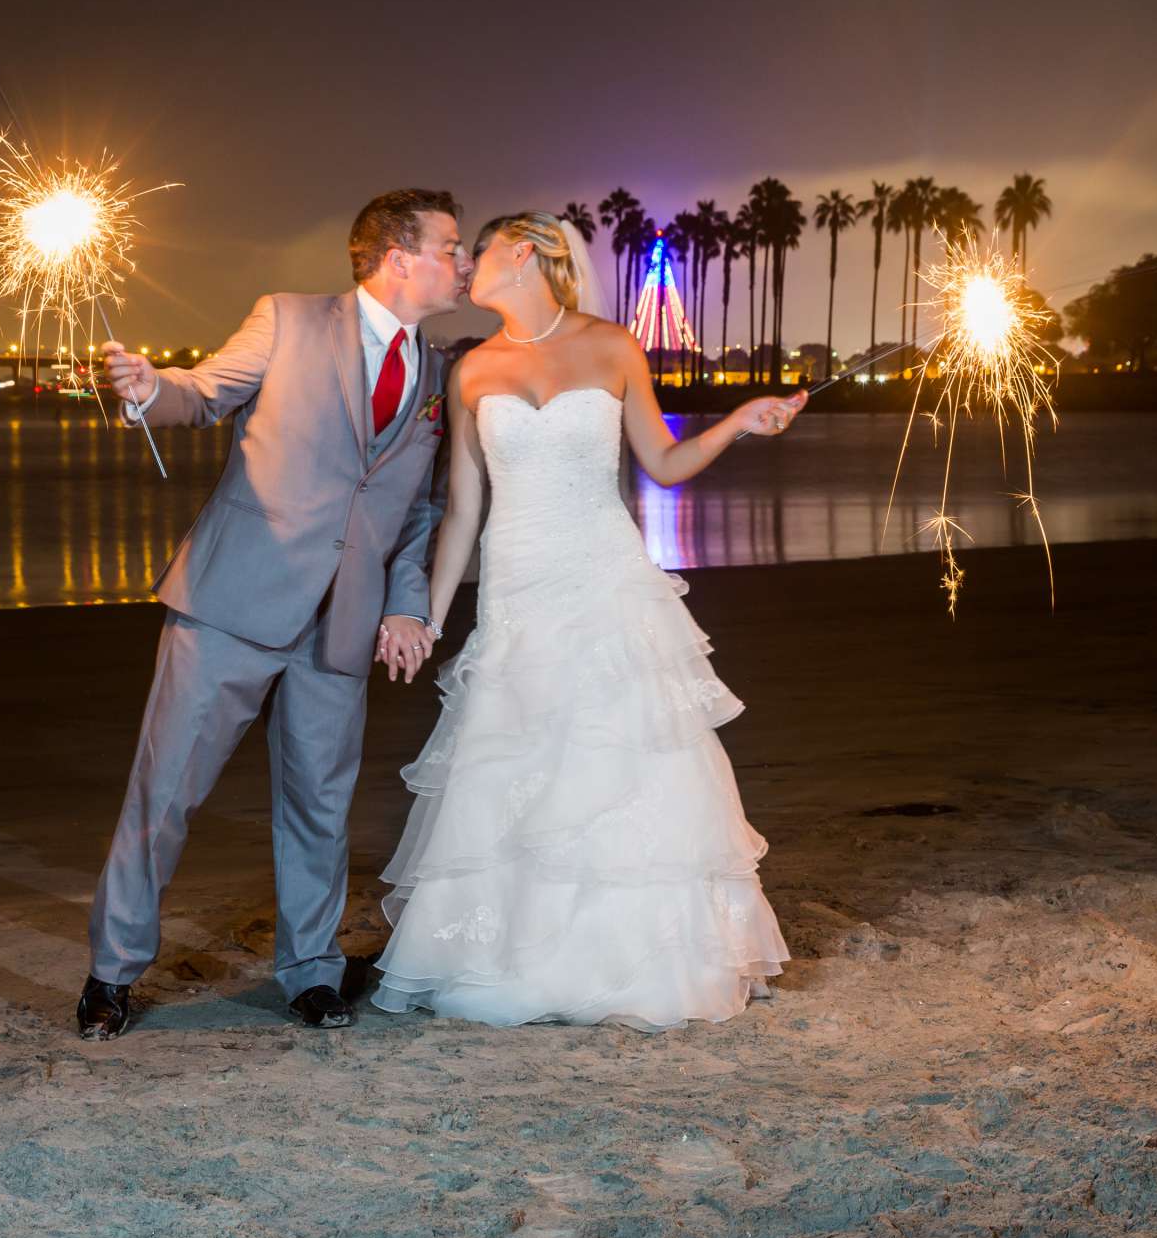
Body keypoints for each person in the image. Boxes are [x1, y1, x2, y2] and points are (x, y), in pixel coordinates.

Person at [368, 210, 802, 1029]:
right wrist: (424, 617)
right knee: (522, 765)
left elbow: (665, 466)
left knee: (621, 759)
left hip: (604, 576)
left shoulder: (611, 346)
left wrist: (741, 420)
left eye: (481, 252)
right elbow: (461, 513)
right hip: (517, 585)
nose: (465, 266)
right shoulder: (471, 370)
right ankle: (520, 958)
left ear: (523, 255)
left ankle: (638, 958)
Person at [78, 188, 471, 1039]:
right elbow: (206, 391)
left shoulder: (436, 374)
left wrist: (405, 607)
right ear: (398, 257)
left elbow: (413, 513)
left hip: (342, 623)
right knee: (166, 792)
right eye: (452, 246)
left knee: (320, 806)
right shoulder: (287, 319)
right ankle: (111, 974)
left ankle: (311, 971)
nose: (464, 262)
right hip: (231, 603)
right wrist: (150, 389)